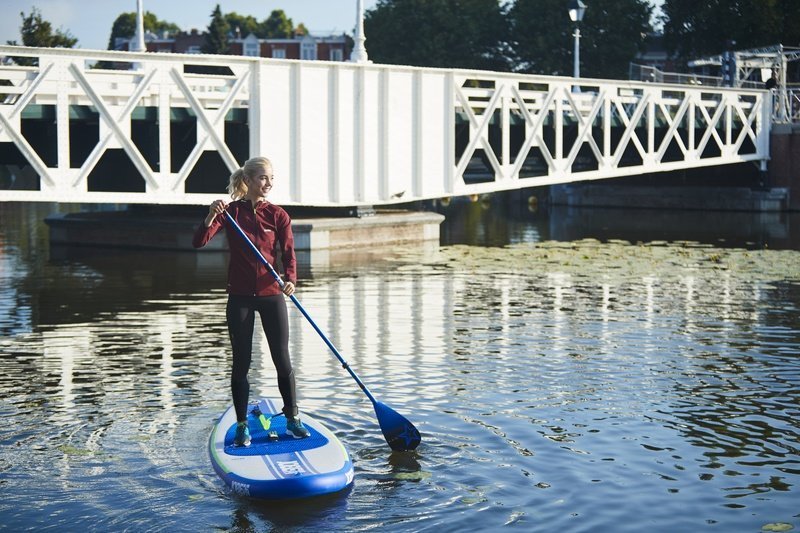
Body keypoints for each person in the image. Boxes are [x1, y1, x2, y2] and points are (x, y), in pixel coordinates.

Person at [193, 156, 310, 446]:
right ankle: (243, 424)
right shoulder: (230, 213)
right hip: (241, 297)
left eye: (271, 178)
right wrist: (210, 216)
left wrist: (291, 278)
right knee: (241, 363)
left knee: (282, 359)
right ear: (249, 181)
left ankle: (293, 418)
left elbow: (289, 253)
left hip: (272, 294)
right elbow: (199, 241)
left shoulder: (278, 215)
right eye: (263, 178)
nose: (269, 183)